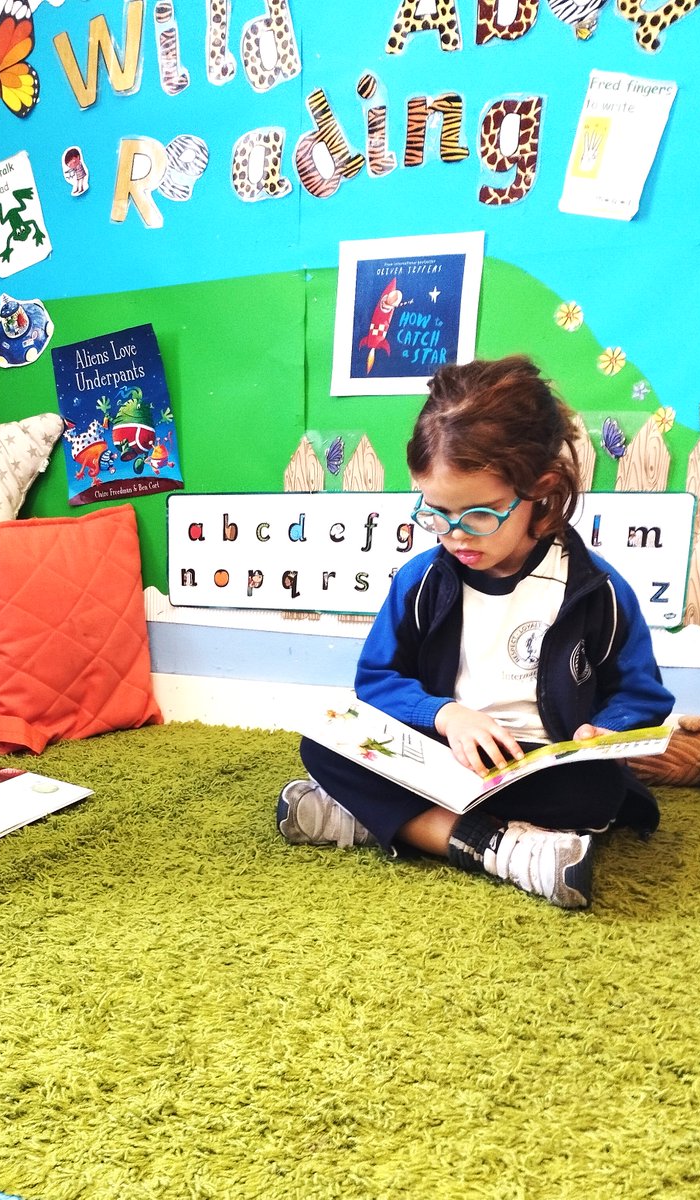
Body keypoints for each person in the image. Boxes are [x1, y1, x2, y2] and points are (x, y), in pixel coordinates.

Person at [277, 356, 673, 909]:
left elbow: (641, 693)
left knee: (598, 793)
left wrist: (604, 731)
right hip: (440, 756)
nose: (456, 535)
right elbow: (378, 680)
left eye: (481, 514)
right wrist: (445, 714)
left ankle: (381, 822)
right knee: (324, 747)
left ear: (543, 488)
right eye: (436, 513)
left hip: (536, 765)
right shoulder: (421, 581)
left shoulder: (596, 590)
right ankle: (499, 846)